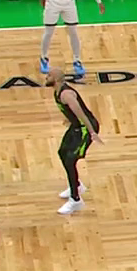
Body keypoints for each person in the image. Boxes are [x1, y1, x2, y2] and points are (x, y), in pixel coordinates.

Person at [47, 66, 103, 215]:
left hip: (85, 128)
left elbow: (82, 114)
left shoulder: (66, 94)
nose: (46, 77)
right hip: (76, 127)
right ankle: (77, 185)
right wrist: (69, 119)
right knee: (62, 152)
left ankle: (76, 200)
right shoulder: (57, 91)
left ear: (56, 79)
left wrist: (92, 133)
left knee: (71, 159)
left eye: (49, 75)